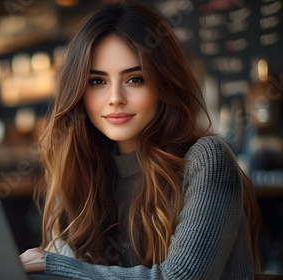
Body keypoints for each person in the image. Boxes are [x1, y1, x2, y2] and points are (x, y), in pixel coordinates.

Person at [19, 1, 262, 279]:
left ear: (164, 83)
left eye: (135, 79)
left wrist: (57, 265)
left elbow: (180, 277)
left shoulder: (208, 160)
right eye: (97, 81)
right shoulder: (83, 170)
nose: (115, 98)